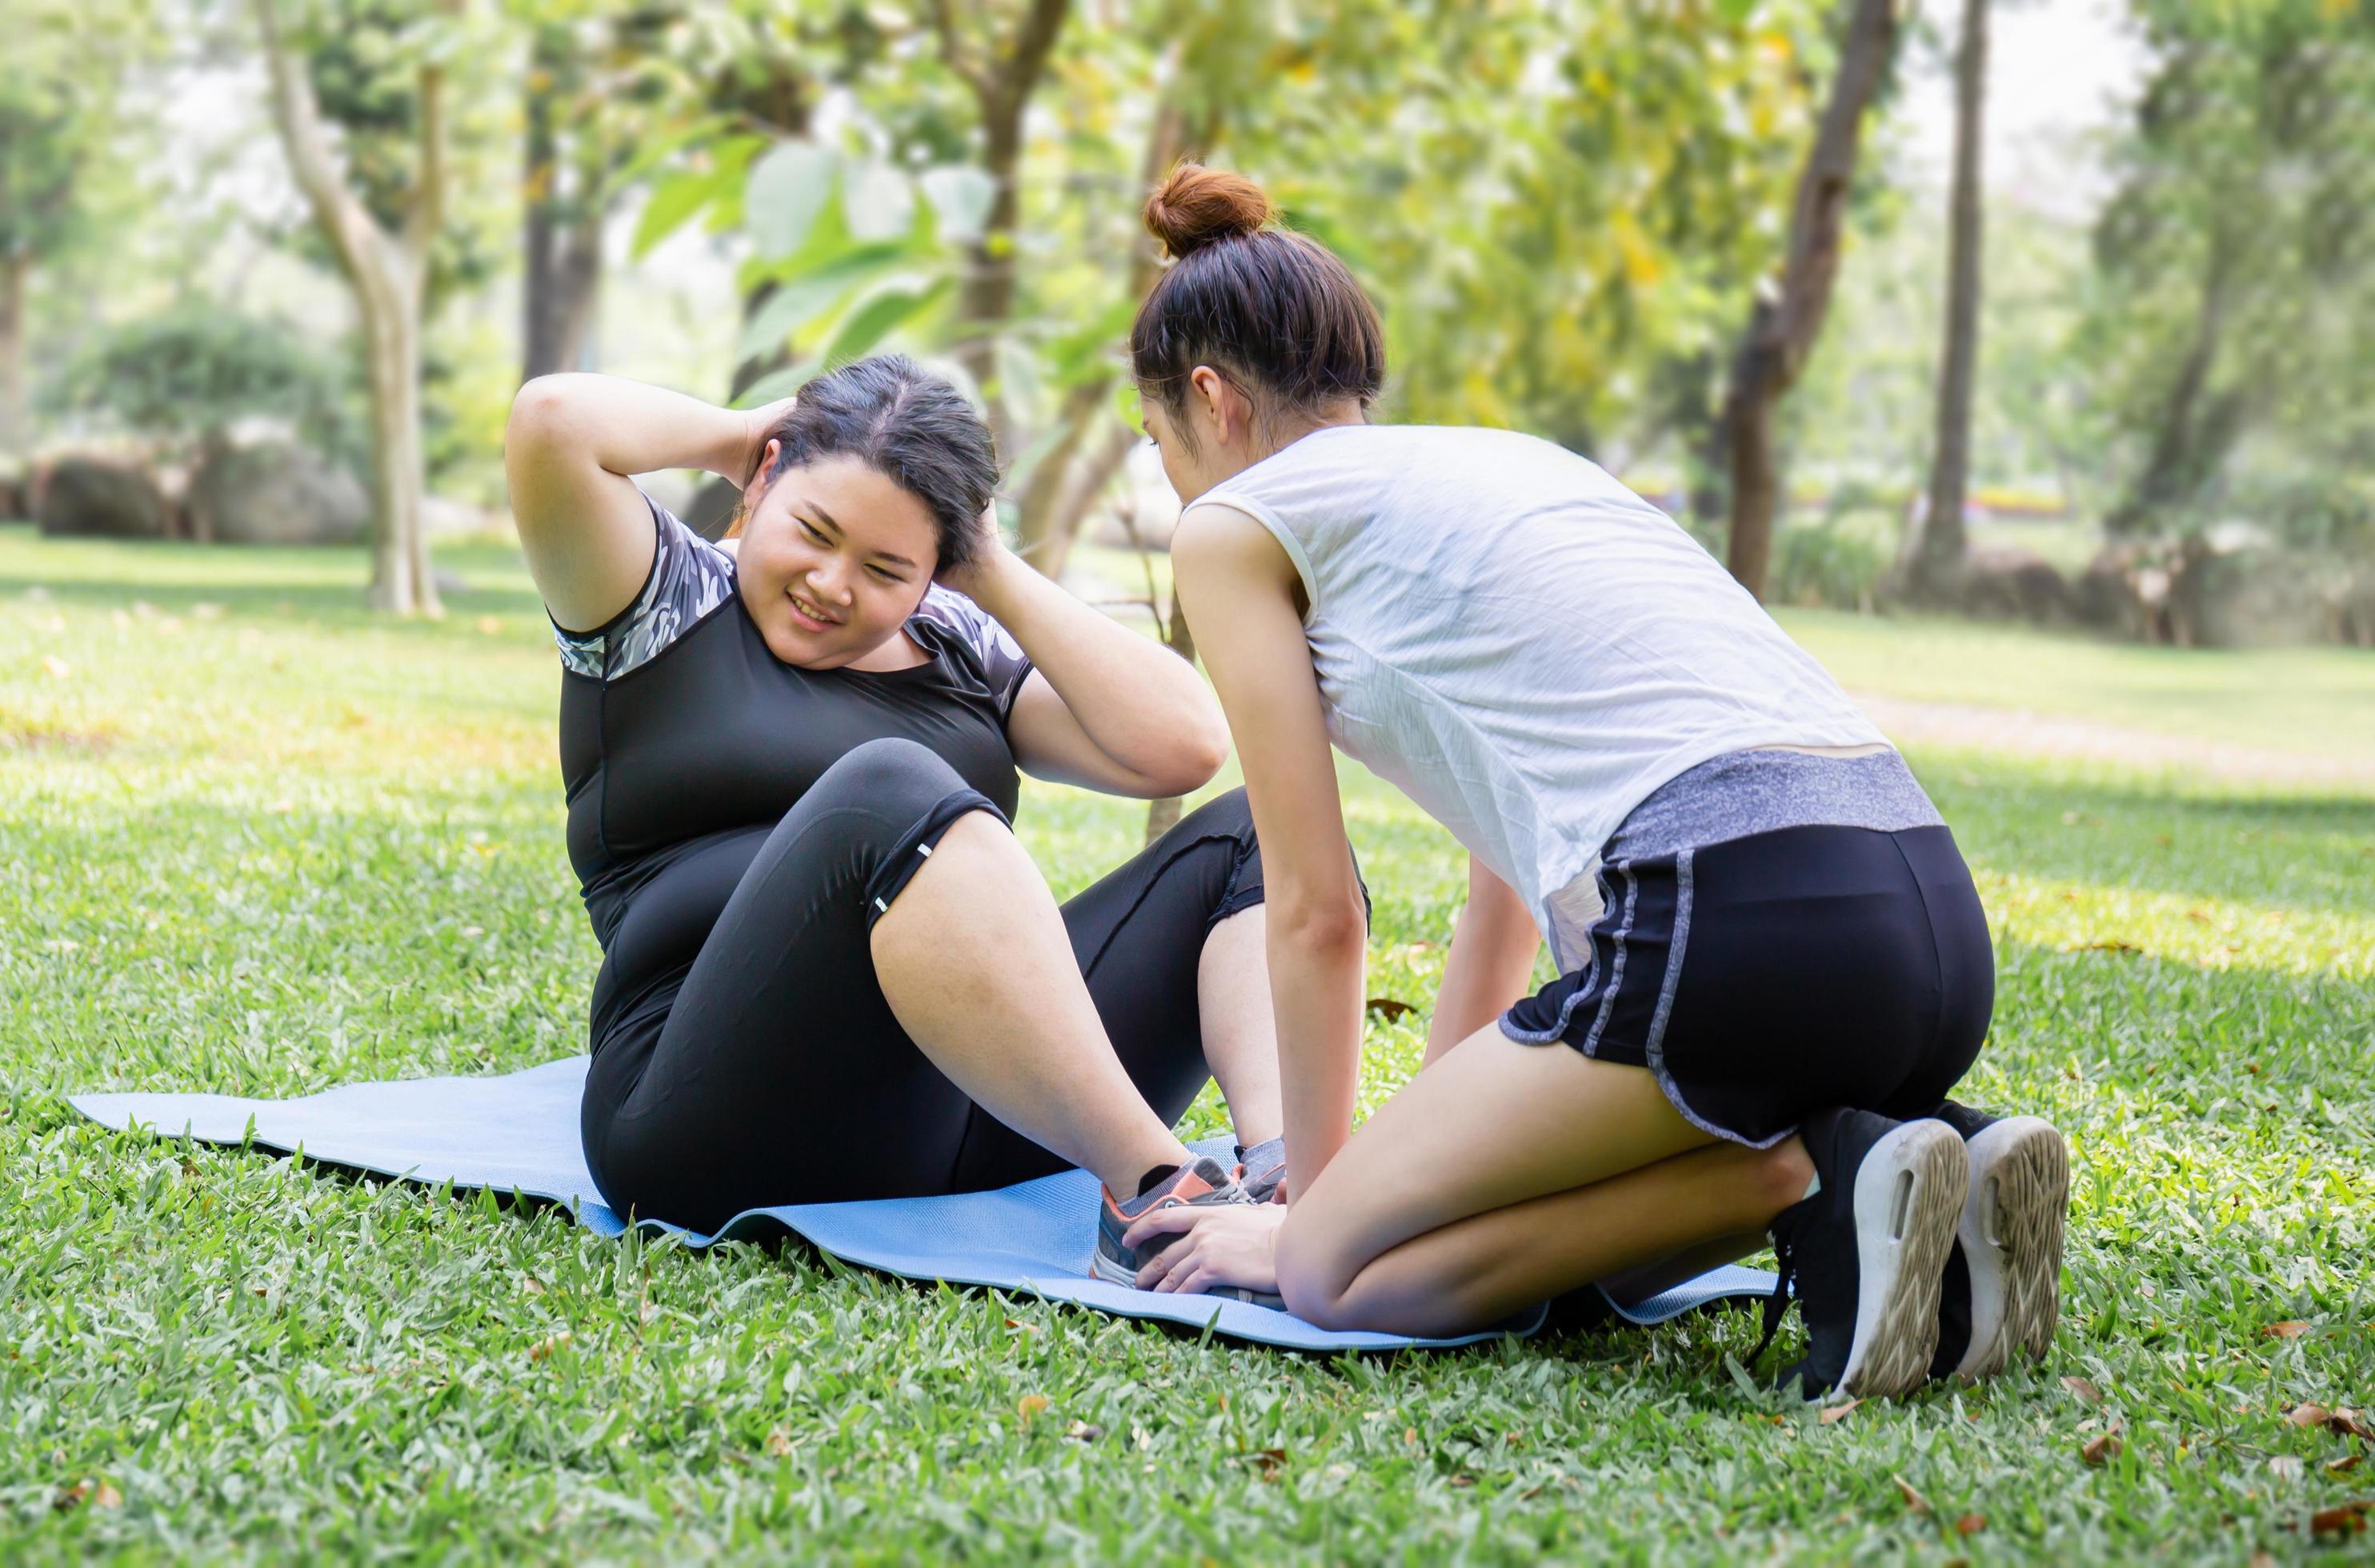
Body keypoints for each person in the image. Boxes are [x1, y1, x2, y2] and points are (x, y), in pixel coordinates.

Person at [1114, 166, 2070, 1397]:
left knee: (1336, 1276)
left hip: (1730, 936)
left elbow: (1313, 912)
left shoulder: (1236, 524)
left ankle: (1813, 1172)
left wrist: (1316, 1202)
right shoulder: (1509, 471)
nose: (1172, 481)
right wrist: (1417, 1155)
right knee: (1503, 1236)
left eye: (1158, 447)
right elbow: (1503, 891)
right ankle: (1945, 1150)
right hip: (1928, 930)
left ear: (1212, 400)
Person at [503, 356, 1309, 1275]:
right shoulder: (659, 600)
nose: (832, 585)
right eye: (813, 530)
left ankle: (1291, 1188)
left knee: (1251, 832)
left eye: (887, 567)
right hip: (710, 1119)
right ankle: (1156, 1199)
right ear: (763, 483)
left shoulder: (951, 644)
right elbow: (553, 419)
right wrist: (750, 434)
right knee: (887, 785)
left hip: (972, 1114)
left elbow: (1183, 743)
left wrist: (994, 576)